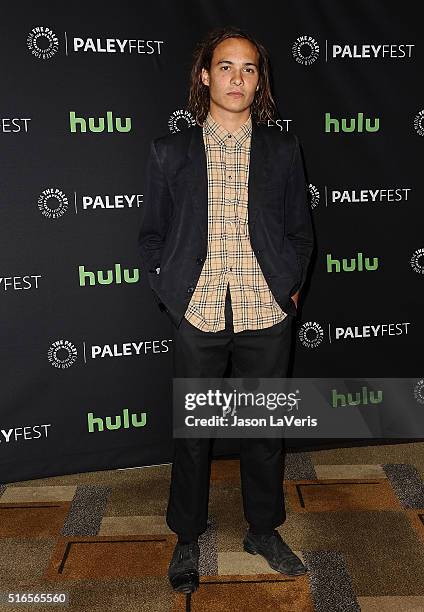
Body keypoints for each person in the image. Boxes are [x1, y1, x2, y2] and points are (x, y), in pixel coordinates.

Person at [138, 25, 314, 594]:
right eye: (227, 66)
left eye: (249, 69)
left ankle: (263, 529)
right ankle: (186, 537)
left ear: (259, 81)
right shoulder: (170, 152)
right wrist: (175, 297)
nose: (237, 78)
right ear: (205, 75)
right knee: (193, 433)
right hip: (200, 311)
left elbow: (299, 232)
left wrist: (288, 290)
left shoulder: (284, 149)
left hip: (266, 311)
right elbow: (152, 236)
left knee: (264, 430)